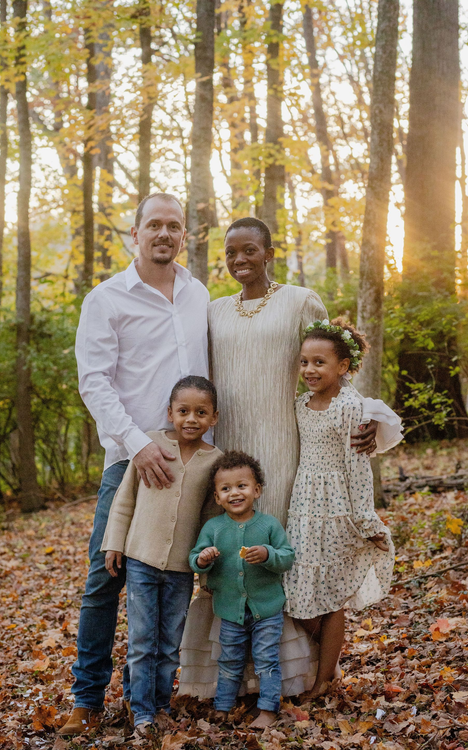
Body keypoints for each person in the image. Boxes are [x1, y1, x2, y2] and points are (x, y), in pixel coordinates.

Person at [178, 217, 402, 699]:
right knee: (234, 552)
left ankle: (298, 674)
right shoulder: (214, 311)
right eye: (231, 252)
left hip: (286, 449)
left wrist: (362, 423)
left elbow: (332, 370)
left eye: (250, 251)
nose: (240, 260)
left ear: (269, 251)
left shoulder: (300, 300)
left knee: (283, 557)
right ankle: (231, 678)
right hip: (232, 449)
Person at [60, 193, 210, 736]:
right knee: (106, 578)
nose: (164, 234)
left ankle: (149, 695)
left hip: (191, 465)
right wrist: (135, 442)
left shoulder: (198, 294)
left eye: (174, 225)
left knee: (178, 579)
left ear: (184, 235)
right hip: (129, 460)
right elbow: (93, 382)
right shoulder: (107, 299)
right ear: (135, 233)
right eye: (154, 225)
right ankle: (88, 696)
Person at [101, 376, 222, 737]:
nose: (191, 419)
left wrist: (205, 567)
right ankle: (140, 712)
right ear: (170, 412)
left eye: (201, 412)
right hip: (141, 559)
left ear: (214, 418)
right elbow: (125, 500)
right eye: (183, 411)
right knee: (141, 640)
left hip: (181, 568)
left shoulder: (213, 460)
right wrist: (114, 543)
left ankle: (159, 706)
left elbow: (209, 521)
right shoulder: (151, 445)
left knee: (170, 642)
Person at [283, 319, 395, 698]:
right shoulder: (300, 403)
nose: (310, 370)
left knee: (330, 598)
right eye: (304, 362)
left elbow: (357, 466)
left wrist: (365, 518)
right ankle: (325, 662)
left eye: (319, 363)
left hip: (337, 510)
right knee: (299, 593)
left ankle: (324, 678)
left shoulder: (349, 407)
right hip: (303, 507)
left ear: (343, 367)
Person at [189, 451, 295, 729]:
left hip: (267, 610)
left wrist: (268, 554)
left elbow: (287, 557)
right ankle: (223, 707)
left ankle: (268, 710)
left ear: (256, 490)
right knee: (229, 660)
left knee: (266, 660)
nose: (234, 493)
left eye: (242, 486)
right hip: (229, 612)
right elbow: (194, 559)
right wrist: (203, 559)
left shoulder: (269, 525)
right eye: (226, 489)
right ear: (216, 497)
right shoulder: (213, 528)